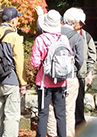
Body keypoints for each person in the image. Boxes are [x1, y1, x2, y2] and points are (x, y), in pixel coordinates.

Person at [31, 9, 73, 137]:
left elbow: (35, 63)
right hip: (61, 82)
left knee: (43, 114)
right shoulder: (64, 39)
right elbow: (70, 58)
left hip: (44, 82)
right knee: (61, 114)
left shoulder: (40, 39)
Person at [47, 9, 86, 137]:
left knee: (52, 108)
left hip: (52, 77)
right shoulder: (77, 37)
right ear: (74, 23)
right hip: (70, 77)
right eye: (80, 23)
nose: (81, 26)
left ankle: (52, 134)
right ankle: (68, 134)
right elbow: (80, 61)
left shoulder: (54, 33)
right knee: (69, 109)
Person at [0, 6, 26, 137]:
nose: (18, 20)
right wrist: (23, 82)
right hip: (11, 80)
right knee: (11, 116)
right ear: (12, 20)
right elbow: (19, 61)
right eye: (17, 18)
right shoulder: (13, 37)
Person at [71, 8, 97, 127]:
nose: (80, 25)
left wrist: (89, 72)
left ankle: (79, 124)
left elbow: (92, 55)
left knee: (79, 100)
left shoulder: (86, 36)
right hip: (68, 73)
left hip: (81, 73)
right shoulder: (66, 34)